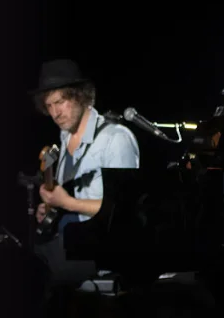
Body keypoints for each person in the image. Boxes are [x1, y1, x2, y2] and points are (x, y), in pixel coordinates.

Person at [28, 58, 141, 311]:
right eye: (49, 106)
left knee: (33, 275)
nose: (55, 113)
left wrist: (67, 202)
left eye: (60, 102)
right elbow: (69, 201)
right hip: (69, 243)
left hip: (102, 252)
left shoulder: (115, 139)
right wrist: (53, 210)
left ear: (80, 96)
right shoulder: (64, 138)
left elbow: (124, 212)